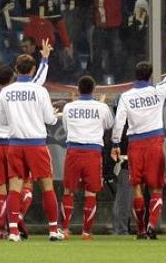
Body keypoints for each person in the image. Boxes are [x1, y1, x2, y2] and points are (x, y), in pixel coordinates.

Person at [0, 41, 50, 239]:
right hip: (16, 144)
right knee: (25, 187)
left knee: (1, 189)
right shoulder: (14, 94)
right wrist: (45, 59)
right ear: (13, 77)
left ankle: (2, 230)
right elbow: (37, 80)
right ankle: (17, 216)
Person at [110, 37, 166, 240]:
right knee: (157, 187)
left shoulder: (126, 96)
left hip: (135, 144)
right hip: (154, 143)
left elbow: (119, 123)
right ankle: (152, 225)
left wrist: (116, 143)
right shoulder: (157, 91)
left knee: (137, 187)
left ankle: (141, 229)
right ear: (151, 76)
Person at [0, 51, 63, 241]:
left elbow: (2, 120)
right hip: (36, 145)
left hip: (15, 144)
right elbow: (50, 120)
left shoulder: (6, 91)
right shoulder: (40, 90)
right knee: (47, 186)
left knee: (15, 188)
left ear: (16, 70)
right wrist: (54, 113)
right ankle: (52, 230)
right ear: (33, 70)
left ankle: (13, 232)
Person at [60, 75, 114, 240]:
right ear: (94, 90)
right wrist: (102, 105)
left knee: (68, 190)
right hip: (93, 151)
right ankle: (86, 232)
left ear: (78, 89)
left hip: (73, 150)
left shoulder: (69, 107)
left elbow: (66, 128)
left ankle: (65, 230)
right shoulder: (101, 107)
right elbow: (109, 125)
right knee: (90, 193)